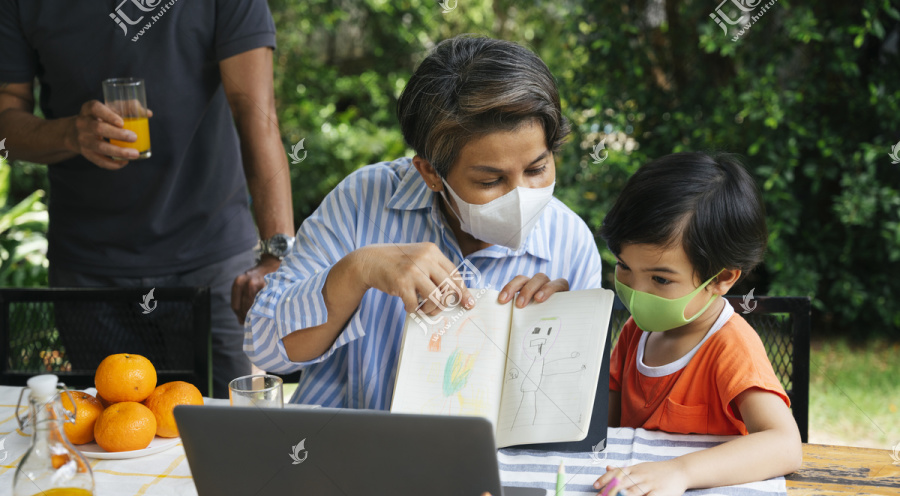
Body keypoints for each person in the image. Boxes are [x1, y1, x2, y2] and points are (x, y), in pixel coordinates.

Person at [245, 35, 604, 408]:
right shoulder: (363, 202)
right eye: (490, 181)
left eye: (537, 168)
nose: (520, 195)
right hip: (348, 452)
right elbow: (267, 349)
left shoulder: (570, 242)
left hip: (493, 463)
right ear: (431, 173)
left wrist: (566, 338)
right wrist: (357, 271)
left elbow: (573, 408)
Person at [0, 0, 294, 397]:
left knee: (233, 434)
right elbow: (5, 126)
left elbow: (256, 113)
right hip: (88, 272)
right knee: (107, 437)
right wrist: (71, 134)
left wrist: (277, 252)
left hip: (213, 264)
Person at [593, 152, 802, 496]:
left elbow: (785, 445)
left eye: (660, 279)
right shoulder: (635, 332)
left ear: (721, 278)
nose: (636, 291)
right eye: (624, 267)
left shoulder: (730, 346)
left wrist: (680, 471)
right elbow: (602, 431)